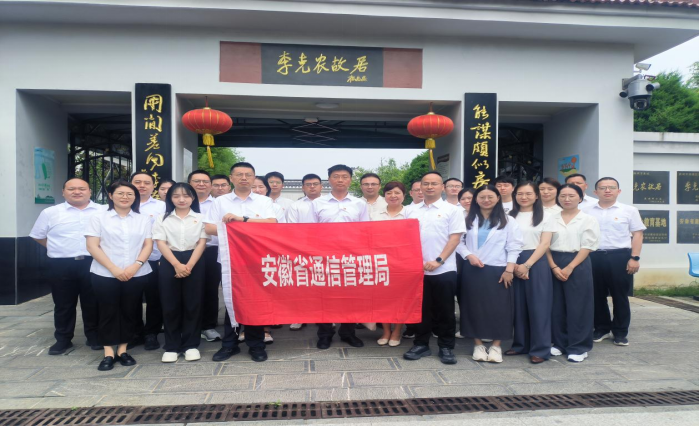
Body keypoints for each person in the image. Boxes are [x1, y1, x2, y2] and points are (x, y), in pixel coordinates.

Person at [204, 162, 277, 363]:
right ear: (231, 178)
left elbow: (272, 223)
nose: (244, 178)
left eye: (248, 174)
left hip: (257, 259)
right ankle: (229, 344)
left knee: (255, 302)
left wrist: (241, 220)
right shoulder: (220, 201)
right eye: (239, 174)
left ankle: (256, 344)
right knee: (231, 300)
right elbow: (208, 228)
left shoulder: (264, 201)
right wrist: (232, 226)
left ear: (254, 178)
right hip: (230, 259)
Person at [85, 180, 153, 371]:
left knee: (130, 311)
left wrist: (136, 265)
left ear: (135, 197)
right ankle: (108, 352)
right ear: (110, 196)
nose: (125, 197)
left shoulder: (143, 219)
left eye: (130, 194)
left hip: (136, 273)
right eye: (120, 193)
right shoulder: (98, 217)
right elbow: (92, 246)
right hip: (104, 274)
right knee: (107, 311)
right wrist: (113, 269)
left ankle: (123, 350)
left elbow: (148, 244)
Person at [30, 178, 102, 355]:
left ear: (90, 191)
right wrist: (56, 248)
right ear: (63, 192)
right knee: (63, 304)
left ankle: (94, 336)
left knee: (93, 302)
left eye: (82, 189)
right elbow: (38, 235)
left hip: (93, 262)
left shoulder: (103, 210)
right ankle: (63, 339)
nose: (77, 192)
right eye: (71, 189)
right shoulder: (50, 212)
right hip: (61, 264)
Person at [403, 171, 466, 365]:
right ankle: (421, 344)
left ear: (442, 187)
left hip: (444, 269)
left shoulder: (452, 210)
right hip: (417, 269)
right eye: (426, 183)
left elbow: (455, 238)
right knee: (421, 309)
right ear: (420, 187)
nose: (430, 187)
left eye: (434, 183)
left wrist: (439, 260)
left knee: (445, 310)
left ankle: (446, 347)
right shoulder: (410, 210)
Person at [457, 185, 523, 364]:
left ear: (498, 198)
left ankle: (496, 346)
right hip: (473, 268)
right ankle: (478, 344)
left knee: (500, 308)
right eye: (482, 197)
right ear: (476, 200)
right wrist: (468, 255)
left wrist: (509, 270)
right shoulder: (467, 219)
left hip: (499, 269)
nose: (486, 200)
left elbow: (514, 246)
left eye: (490, 197)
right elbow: (458, 242)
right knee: (472, 306)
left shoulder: (508, 220)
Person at [312, 165, 370, 350]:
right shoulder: (317, 203)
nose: (340, 180)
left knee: (350, 296)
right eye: (336, 176)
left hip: (350, 257)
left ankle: (348, 332)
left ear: (350, 180)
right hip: (324, 257)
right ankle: (325, 334)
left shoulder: (359, 203)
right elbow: (310, 231)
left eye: (344, 176)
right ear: (329, 179)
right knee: (324, 296)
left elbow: (365, 230)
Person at [585, 177, 646, 347]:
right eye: (603, 187)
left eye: (611, 187)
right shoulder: (586, 210)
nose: (607, 190)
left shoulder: (629, 210)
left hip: (620, 257)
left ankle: (620, 332)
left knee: (620, 296)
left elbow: (638, 234)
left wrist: (634, 258)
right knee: (596, 295)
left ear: (618, 191)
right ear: (595, 192)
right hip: (593, 256)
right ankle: (601, 328)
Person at [153, 183, 208, 363]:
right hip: (170, 260)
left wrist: (189, 265)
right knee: (170, 304)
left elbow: (202, 243)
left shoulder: (201, 217)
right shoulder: (162, 218)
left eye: (186, 195)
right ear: (170, 198)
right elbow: (160, 243)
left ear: (193, 197)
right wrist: (177, 264)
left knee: (193, 303)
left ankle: (191, 345)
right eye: (176, 196)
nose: (181, 199)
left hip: (195, 260)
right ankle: (172, 346)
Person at [547, 184, 600, 363]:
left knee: (579, 305)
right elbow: (544, 244)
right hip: (554, 261)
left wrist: (570, 267)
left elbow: (588, 246)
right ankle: (560, 343)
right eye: (563, 196)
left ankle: (579, 346)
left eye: (571, 195)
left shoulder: (588, 219)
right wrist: (553, 266)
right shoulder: (551, 218)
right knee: (556, 305)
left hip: (578, 262)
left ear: (580, 198)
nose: (566, 199)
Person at [505, 182, 555, 364]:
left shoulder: (547, 216)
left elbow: (545, 244)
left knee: (539, 306)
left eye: (528, 194)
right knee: (517, 306)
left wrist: (527, 265)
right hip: (512, 260)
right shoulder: (509, 216)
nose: (523, 197)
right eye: (520, 194)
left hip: (536, 260)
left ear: (536, 196)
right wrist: (512, 265)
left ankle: (540, 349)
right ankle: (520, 344)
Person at [130, 172, 166, 351]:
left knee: (154, 298)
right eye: (137, 182)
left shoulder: (162, 206)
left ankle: (151, 332)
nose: (142, 186)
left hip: (155, 259)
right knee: (132, 298)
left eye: (146, 183)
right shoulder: (123, 205)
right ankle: (135, 332)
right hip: (129, 262)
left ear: (153, 186)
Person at [370, 181, 408, 347]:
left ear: (404, 195)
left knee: (401, 298)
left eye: (397, 193)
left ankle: (397, 331)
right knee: (382, 298)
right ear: (384, 196)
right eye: (389, 193)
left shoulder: (410, 213)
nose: (393, 196)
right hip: (381, 262)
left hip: (403, 262)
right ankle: (385, 331)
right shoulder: (374, 215)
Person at [285, 173, 324, 331]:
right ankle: (300, 316)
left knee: (324, 284)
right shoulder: (296, 206)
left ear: (321, 186)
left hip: (326, 250)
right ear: (303, 187)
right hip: (302, 249)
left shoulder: (328, 204)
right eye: (308, 184)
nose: (312, 187)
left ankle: (326, 316)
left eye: (315, 184)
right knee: (301, 284)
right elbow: (291, 228)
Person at [188, 170, 222, 344]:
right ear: (189, 183)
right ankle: (188, 326)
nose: (201, 184)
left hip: (211, 250)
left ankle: (208, 325)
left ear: (210, 185)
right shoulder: (182, 202)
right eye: (197, 181)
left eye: (205, 181)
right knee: (187, 289)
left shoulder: (218, 204)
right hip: (186, 251)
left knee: (210, 289)